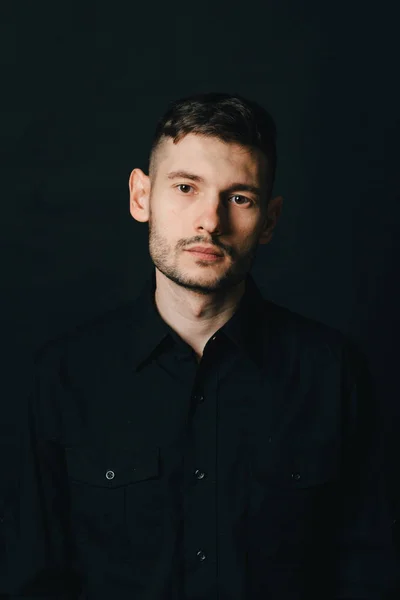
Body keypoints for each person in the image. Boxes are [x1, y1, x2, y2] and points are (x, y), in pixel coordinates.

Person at [3, 92, 398, 599]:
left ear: (269, 221)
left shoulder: (333, 373)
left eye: (239, 198)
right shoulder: (62, 375)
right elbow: (30, 578)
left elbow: (371, 576)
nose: (209, 221)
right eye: (186, 187)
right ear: (140, 197)